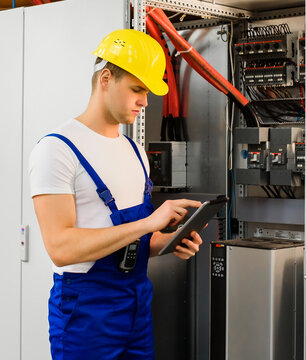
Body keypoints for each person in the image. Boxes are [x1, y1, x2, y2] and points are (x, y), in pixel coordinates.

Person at [29, 29, 201, 359]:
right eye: (137, 89)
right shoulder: (57, 149)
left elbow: (131, 243)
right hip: (85, 314)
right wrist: (149, 223)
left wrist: (167, 241)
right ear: (106, 78)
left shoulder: (135, 153)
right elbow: (60, 248)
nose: (145, 101)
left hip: (136, 304)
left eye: (148, 91)